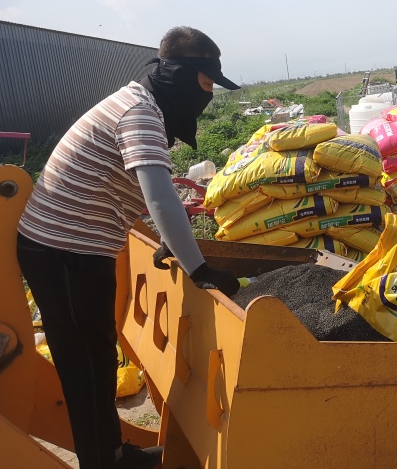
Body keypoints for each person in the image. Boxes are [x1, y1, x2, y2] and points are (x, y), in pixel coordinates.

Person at [16, 26, 242, 469]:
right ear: (182, 73)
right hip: (63, 249)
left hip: (78, 246)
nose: (210, 92)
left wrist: (166, 240)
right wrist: (198, 268)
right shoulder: (139, 114)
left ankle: (113, 453)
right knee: (84, 362)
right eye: (207, 81)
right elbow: (160, 197)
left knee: (97, 354)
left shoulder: (139, 103)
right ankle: (102, 462)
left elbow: (119, 186)